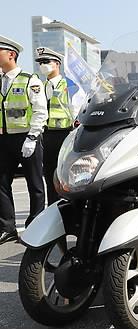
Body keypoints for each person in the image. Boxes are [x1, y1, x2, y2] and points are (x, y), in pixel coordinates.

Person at [0, 35, 48, 244]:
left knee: (35, 183)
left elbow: (40, 111)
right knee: (1, 183)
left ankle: (35, 225)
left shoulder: (30, 80)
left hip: (27, 138)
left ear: (11, 54)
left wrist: (32, 136)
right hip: (3, 139)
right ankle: (7, 227)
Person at [35, 47, 75, 205]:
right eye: (40, 62)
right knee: (48, 173)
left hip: (65, 134)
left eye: (46, 61)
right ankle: (53, 205)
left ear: (57, 64)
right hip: (45, 135)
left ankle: (70, 204)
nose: (43, 65)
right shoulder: (39, 86)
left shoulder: (69, 84)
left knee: (65, 174)